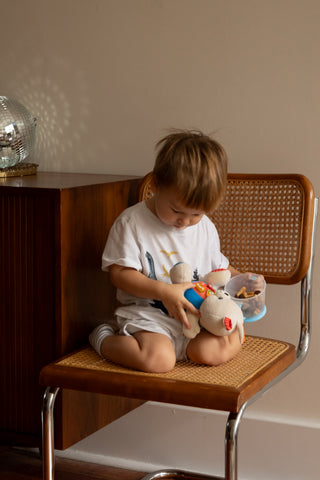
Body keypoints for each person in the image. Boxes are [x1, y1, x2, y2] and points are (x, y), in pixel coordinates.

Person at [89, 129, 262, 373]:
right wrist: (165, 291)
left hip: (200, 319)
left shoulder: (205, 228)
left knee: (206, 352)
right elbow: (119, 275)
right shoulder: (132, 223)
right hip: (151, 319)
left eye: (196, 214)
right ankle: (104, 340)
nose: (186, 222)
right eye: (176, 210)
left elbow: (219, 269)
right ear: (156, 184)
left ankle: (234, 335)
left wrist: (244, 279)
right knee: (159, 361)